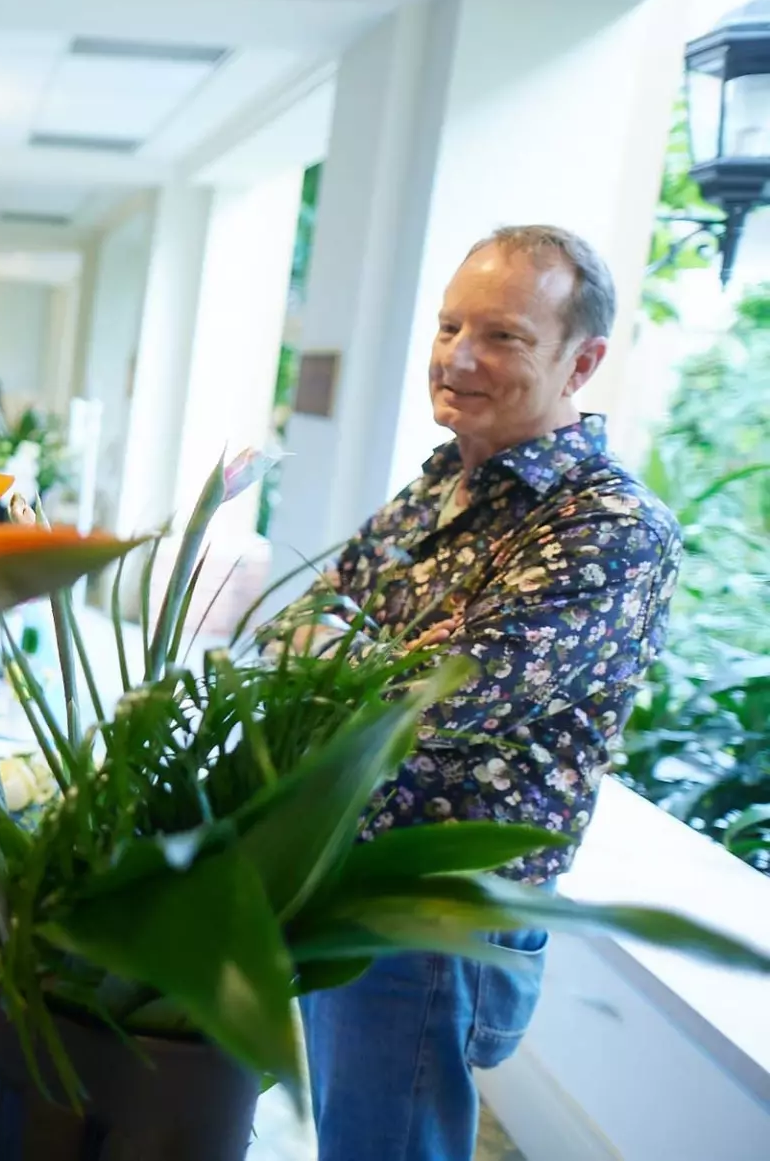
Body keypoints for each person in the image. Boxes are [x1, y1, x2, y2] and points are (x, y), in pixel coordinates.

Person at [280, 225, 682, 1161]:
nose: (459, 357)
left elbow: (435, 699)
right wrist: (369, 651)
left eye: (502, 335)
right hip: (343, 872)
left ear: (582, 361)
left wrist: (367, 654)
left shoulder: (612, 526)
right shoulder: (438, 485)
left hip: (436, 915)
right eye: (450, 324)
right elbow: (291, 630)